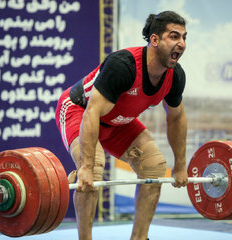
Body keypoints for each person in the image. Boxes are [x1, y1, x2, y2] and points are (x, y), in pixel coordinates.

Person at [55, 10, 189, 240]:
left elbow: (176, 118)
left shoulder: (175, 76)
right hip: (80, 109)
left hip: (118, 121)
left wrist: (180, 165)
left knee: (154, 165)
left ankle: (140, 237)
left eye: (185, 37)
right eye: (174, 36)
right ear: (154, 40)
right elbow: (92, 112)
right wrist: (85, 167)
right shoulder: (123, 65)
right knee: (94, 169)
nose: (182, 44)